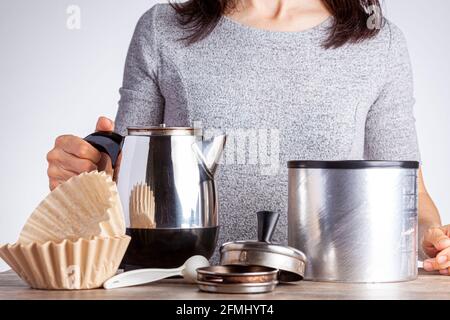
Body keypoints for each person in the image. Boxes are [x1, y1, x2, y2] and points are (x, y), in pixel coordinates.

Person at [46, 0, 449, 273]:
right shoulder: (162, 29)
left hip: (326, 290)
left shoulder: (379, 42)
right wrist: (88, 175)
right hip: (184, 292)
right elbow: (124, 177)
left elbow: (407, 192)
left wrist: (435, 243)